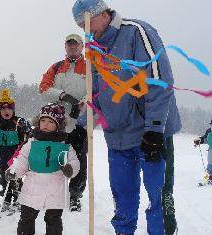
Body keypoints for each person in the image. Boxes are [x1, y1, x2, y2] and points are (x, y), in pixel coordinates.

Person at [72, 1, 181, 235]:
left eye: (87, 23)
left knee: (158, 198)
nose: (86, 31)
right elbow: (96, 93)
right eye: (81, 26)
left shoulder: (136, 32)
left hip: (150, 134)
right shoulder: (94, 50)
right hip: (118, 136)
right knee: (122, 196)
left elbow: (159, 81)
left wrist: (154, 129)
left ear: (102, 14)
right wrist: (82, 124)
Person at [5, 103, 80, 235]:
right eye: (43, 120)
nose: (46, 124)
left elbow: (74, 162)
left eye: (51, 121)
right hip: (32, 188)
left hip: (55, 190)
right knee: (26, 218)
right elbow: (22, 160)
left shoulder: (64, 146)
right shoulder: (31, 142)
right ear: (38, 122)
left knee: (54, 220)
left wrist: (70, 169)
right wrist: (14, 170)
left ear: (58, 125)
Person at [39, 33, 88, 212]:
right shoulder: (57, 67)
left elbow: (98, 88)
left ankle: (75, 195)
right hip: (57, 122)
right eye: (69, 45)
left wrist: (83, 101)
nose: (72, 47)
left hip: (80, 122)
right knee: (53, 157)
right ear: (65, 47)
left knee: (79, 158)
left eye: (76, 44)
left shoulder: (90, 67)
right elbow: (43, 87)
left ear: (82, 46)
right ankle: (51, 192)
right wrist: (62, 96)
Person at [194, 118, 212, 184]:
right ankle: (211, 177)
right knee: (211, 163)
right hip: (211, 150)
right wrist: (199, 140)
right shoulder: (209, 130)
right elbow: (205, 139)